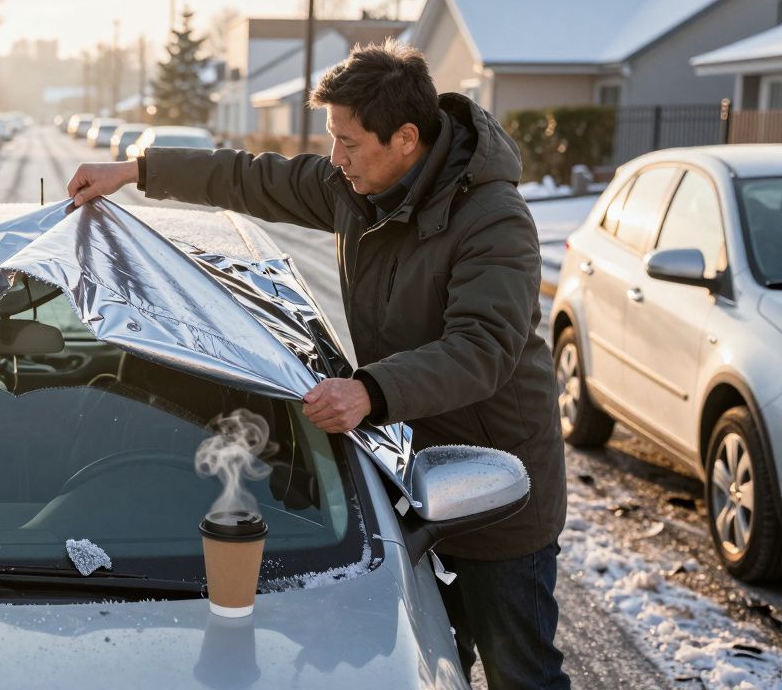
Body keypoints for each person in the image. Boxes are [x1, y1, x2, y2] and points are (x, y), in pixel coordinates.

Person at [66, 39, 569, 690]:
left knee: (519, 672)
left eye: (349, 143)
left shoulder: (492, 220)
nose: (335, 159)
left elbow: (484, 349)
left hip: (496, 486)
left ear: (406, 139)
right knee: (437, 661)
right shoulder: (354, 190)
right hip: (412, 473)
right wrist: (136, 172)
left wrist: (368, 392)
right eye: (332, 140)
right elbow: (252, 177)